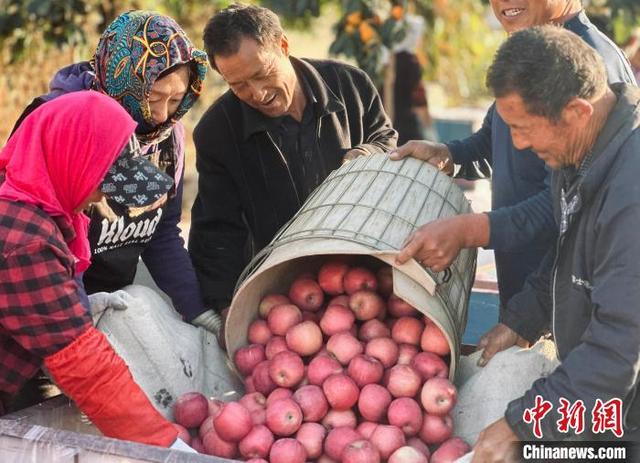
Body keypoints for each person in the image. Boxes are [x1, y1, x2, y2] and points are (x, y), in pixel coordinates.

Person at [392, 0, 637, 317]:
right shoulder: (529, 49)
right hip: (525, 294)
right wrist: (448, 155)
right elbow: (495, 141)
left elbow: (568, 204)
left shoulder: (585, 60)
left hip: (563, 303)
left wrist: (469, 230)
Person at [467, 26, 640, 461]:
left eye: (524, 129)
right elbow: (572, 253)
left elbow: (618, 350)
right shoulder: (581, 151)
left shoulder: (631, 193)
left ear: (578, 111)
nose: (519, 144)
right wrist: (524, 319)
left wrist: (519, 427)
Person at [188, 3, 397, 326]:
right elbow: (217, 228)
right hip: (285, 293)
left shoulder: (351, 85)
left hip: (367, 273)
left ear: (283, 46)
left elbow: (386, 140)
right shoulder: (218, 132)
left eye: (261, 74)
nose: (256, 93)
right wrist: (227, 306)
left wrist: (367, 154)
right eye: (238, 85)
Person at [0, 91, 185, 448]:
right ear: (67, 160)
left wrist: (71, 308)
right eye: (102, 182)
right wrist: (168, 448)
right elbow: (85, 368)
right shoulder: (25, 240)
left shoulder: (28, 199)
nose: (102, 197)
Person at [11, 11, 214, 332]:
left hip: (110, 305)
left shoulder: (168, 136)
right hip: (45, 306)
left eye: (176, 99)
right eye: (152, 96)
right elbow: (38, 234)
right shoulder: (62, 124)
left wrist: (198, 310)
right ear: (124, 80)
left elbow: (162, 231)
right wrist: (74, 316)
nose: (161, 114)